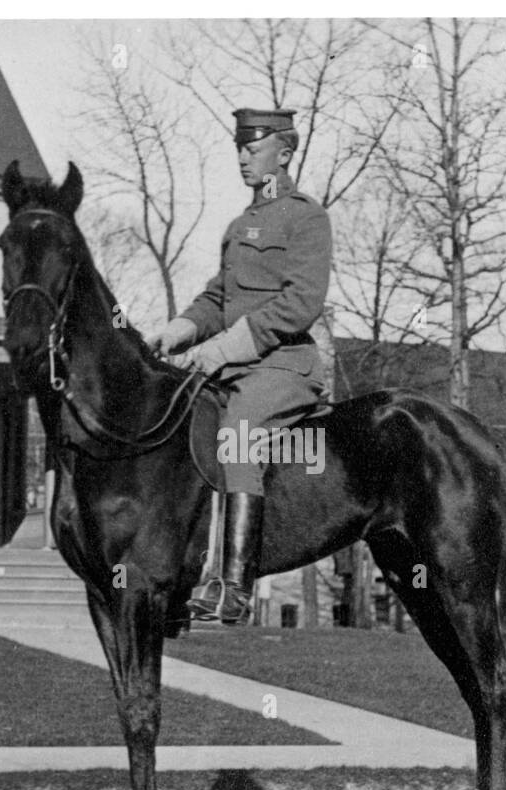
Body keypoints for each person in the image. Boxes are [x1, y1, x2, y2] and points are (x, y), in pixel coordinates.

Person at [144, 107, 332, 625]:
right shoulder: (239, 225)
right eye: (239, 148)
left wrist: (226, 347)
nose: (243, 156)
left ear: (285, 152)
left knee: (239, 432)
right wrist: (181, 329)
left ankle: (234, 585)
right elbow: (218, 297)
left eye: (253, 148)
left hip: (284, 366)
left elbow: (302, 302)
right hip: (235, 369)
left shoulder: (305, 217)